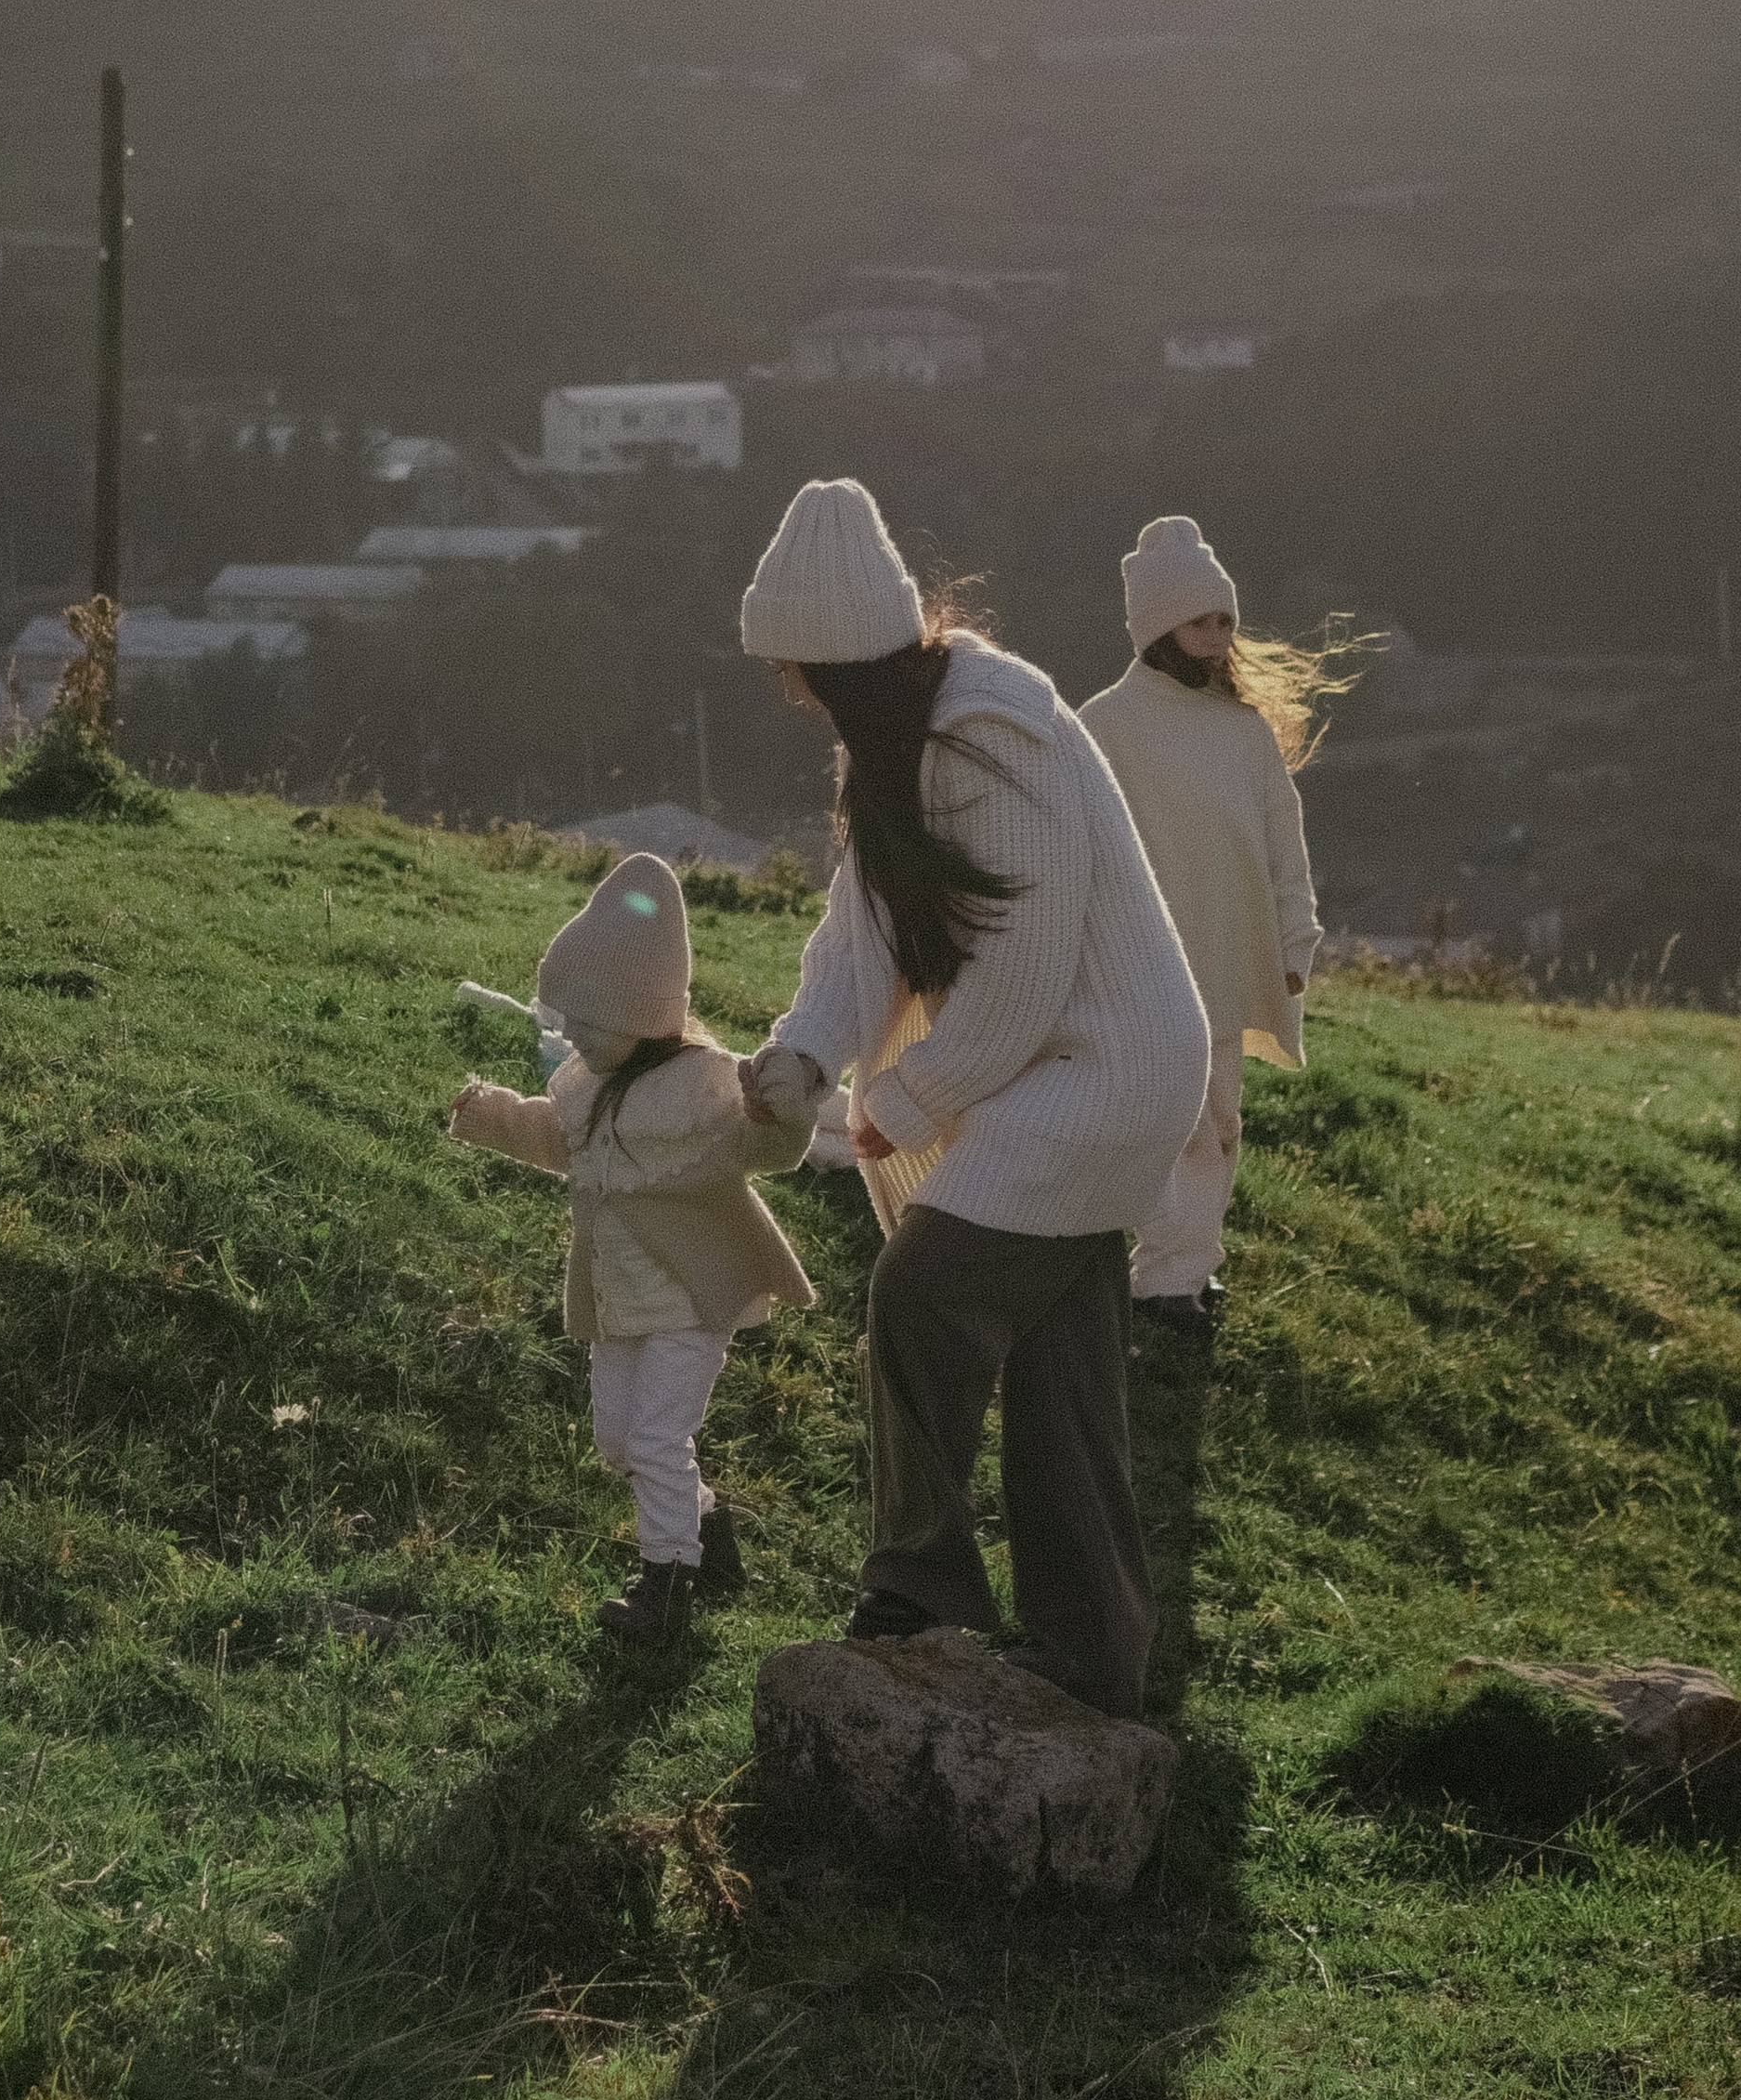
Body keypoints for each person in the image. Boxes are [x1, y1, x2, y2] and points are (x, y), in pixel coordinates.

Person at [739, 477, 1208, 1720]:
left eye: (794, 665)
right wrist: (801, 1054)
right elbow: (859, 935)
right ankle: (1097, 1658)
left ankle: (921, 1591)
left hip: (1103, 1072)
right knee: (1065, 1378)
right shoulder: (897, 741)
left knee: (924, 1291)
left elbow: (1027, 968)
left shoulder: (994, 738)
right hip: (1053, 1073)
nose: (786, 687)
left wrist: (902, 1098)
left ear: (837, 658)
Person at [447, 852, 816, 1647]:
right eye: (565, 1020)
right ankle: (708, 1533)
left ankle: (667, 1586)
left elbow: (772, 1146)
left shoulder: (706, 1086)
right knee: (618, 1441)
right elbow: (560, 1139)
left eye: (586, 1020)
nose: (570, 1035)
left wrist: (788, 1107)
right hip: (618, 1298)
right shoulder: (585, 1080)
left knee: (655, 1436)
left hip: (690, 1296)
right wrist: (487, 1115)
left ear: (640, 1015)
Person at [1078, 517, 1324, 1331]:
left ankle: (1184, 1277)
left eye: (1225, 621)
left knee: (1219, 1123)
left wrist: (1294, 946)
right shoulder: (1102, 727)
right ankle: (1155, 1282)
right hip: (1141, 968)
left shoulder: (1244, 732)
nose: (1217, 637)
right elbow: (1076, 848)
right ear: (1156, 625)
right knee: (1166, 1123)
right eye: (1199, 620)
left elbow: (1285, 849)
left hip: (1227, 962)